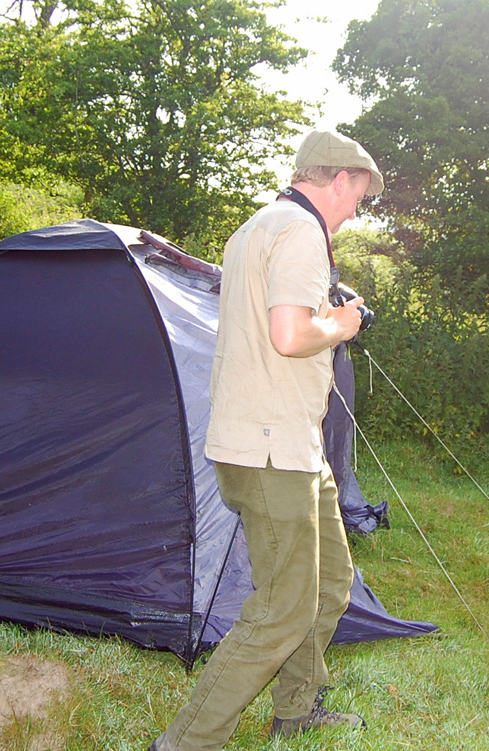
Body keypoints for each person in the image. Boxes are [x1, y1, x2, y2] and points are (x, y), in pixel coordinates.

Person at [150, 130, 384, 751]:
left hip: (286, 442)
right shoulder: (303, 232)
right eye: (358, 196)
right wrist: (344, 323)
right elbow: (288, 334)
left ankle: (297, 709)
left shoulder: (256, 226)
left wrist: (325, 313)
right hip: (270, 447)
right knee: (282, 606)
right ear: (339, 181)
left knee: (330, 582)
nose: (356, 210)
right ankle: (185, 742)